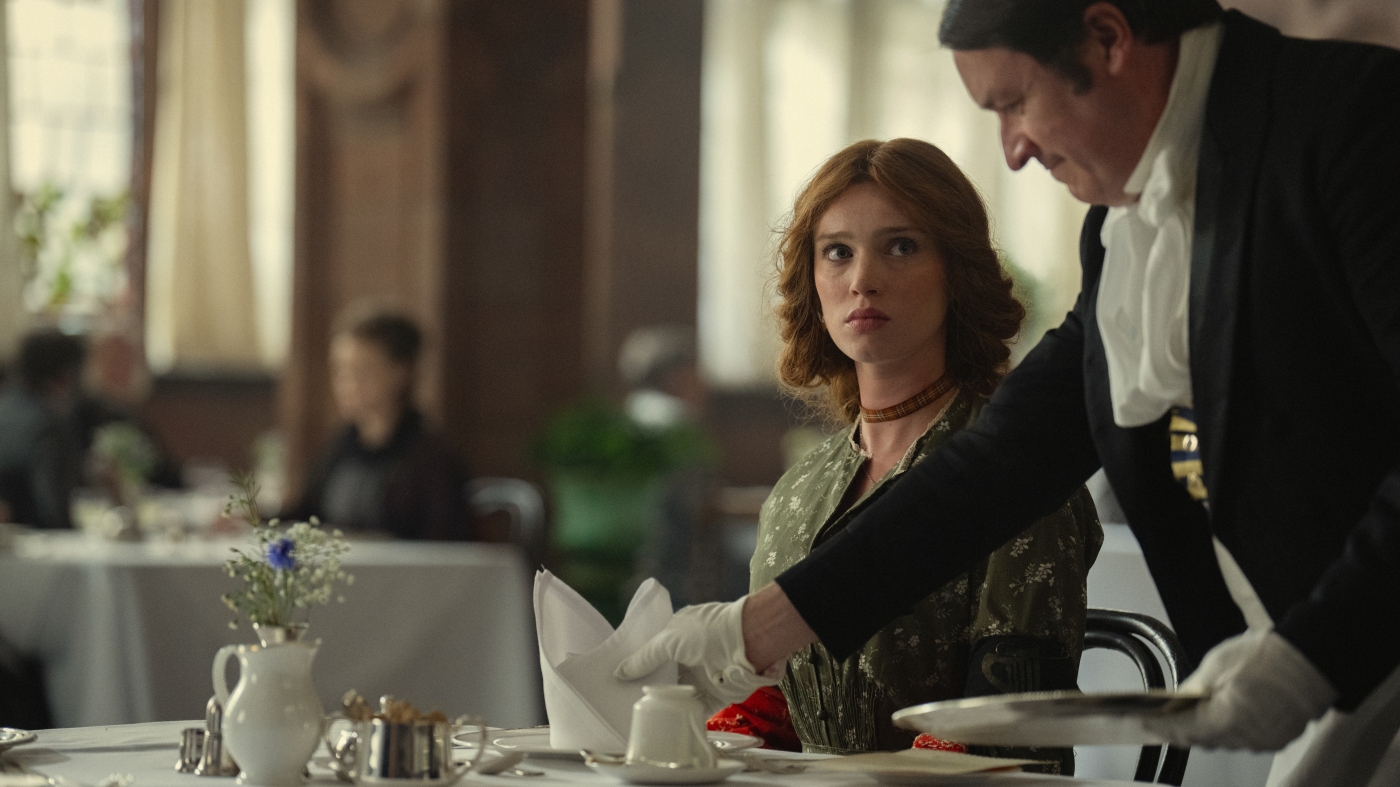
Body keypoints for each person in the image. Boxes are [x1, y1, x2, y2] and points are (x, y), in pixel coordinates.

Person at [619, 3, 1400, 785]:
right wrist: (749, 630)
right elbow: (1001, 464)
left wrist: (1313, 652)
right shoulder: (1122, 227)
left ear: (1108, 38)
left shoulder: (1359, 119)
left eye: (1015, 103)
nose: (1014, 150)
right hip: (1344, 684)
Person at [707, 139, 1100, 769]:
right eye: (838, 252)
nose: (862, 280)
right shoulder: (796, 491)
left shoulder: (1022, 472)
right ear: (813, 280)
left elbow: (1007, 727)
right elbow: (780, 700)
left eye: (901, 246)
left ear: (956, 271)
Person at [285, 309, 472, 540]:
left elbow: (445, 542)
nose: (347, 384)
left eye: (362, 371)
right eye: (340, 370)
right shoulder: (341, 445)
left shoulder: (432, 460)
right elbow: (304, 516)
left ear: (400, 373)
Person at [0, 330, 85, 529]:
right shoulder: (48, 427)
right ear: (65, 376)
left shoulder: (5, 406)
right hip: (29, 541)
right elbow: (52, 512)